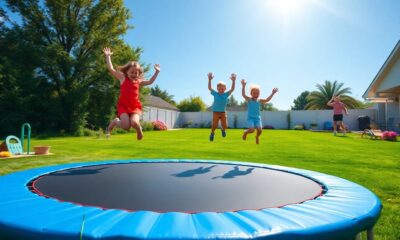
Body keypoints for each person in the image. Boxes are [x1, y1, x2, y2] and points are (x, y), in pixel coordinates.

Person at [103, 47, 160, 140]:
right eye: (132, 72)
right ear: (127, 72)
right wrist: (108, 56)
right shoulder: (122, 78)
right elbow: (111, 69)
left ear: (138, 73)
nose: (134, 74)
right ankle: (116, 121)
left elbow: (150, 81)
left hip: (135, 106)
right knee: (126, 126)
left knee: (134, 122)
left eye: (136, 73)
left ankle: (139, 130)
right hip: (123, 106)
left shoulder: (139, 81)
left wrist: (156, 72)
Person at [241, 79, 278, 144]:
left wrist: (272, 93)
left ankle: (257, 137)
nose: (256, 94)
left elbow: (267, 100)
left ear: (259, 94)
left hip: (257, 118)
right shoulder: (249, 99)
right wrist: (243, 85)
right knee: (252, 130)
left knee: (260, 130)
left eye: (257, 93)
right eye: (254, 93)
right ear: (251, 94)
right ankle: (245, 132)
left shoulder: (259, 100)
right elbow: (243, 95)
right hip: (251, 118)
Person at [208, 72, 236, 141]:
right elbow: (209, 88)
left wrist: (233, 81)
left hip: (223, 112)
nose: (221, 90)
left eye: (222, 89)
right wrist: (209, 80)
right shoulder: (215, 94)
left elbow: (232, 89)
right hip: (216, 112)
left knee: (225, 126)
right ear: (217, 89)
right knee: (214, 126)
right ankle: (212, 133)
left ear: (225, 89)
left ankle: (223, 130)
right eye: (219, 89)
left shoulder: (226, 94)